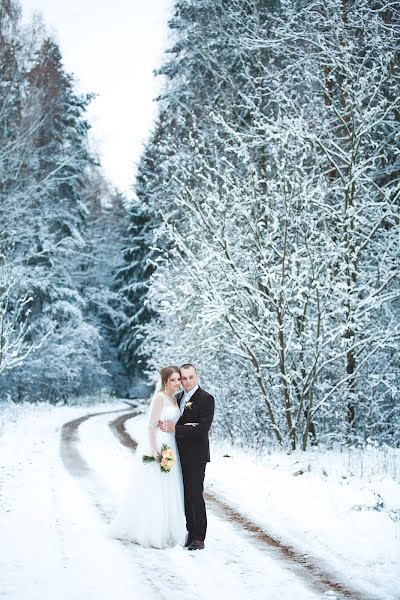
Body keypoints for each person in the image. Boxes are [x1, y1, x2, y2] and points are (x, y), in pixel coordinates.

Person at [109, 365, 187, 549]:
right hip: (159, 443)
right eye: (172, 380)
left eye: (178, 379)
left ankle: (169, 530)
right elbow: (151, 426)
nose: (176, 383)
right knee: (156, 486)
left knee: (170, 486)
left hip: (171, 443)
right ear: (165, 381)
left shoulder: (175, 399)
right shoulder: (160, 398)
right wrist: (154, 451)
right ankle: (151, 531)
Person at [159, 363, 215, 550]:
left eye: (191, 377)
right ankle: (189, 533)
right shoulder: (178, 397)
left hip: (196, 455)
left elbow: (202, 428)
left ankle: (199, 536)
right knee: (183, 496)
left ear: (197, 376)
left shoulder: (206, 398)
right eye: (184, 378)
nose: (187, 381)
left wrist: (178, 429)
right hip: (177, 453)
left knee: (195, 494)